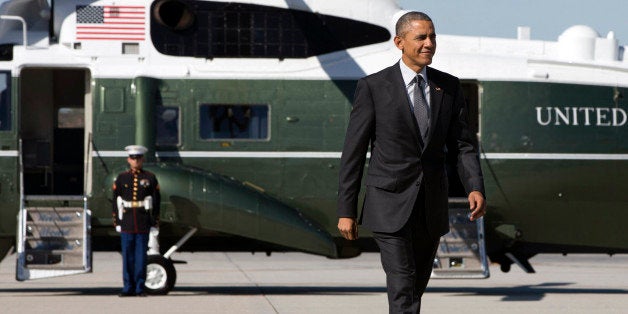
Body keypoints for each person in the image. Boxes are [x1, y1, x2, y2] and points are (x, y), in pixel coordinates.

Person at [337, 11, 486, 313]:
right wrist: (346, 211)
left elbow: (463, 145)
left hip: (430, 207)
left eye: (432, 37)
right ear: (400, 42)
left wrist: (475, 186)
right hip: (388, 204)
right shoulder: (374, 87)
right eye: (421, 37)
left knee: (416, 286)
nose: (429, 43)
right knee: (403, 284)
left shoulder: (450, 87)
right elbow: (353, 152)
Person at [112, 145, 161, 297]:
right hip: (127, 221)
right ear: (128, 160)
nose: (135, 161)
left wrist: (154, 221)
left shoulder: (150, 178)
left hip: (142, 220)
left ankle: (140, 287)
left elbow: (157, 200)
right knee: (127, 257)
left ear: (142, 159)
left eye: (138, 158)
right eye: (133, 158)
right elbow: (115, 200)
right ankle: (128, 287)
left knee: (140, 257)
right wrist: (117, 221)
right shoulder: (122, 178)